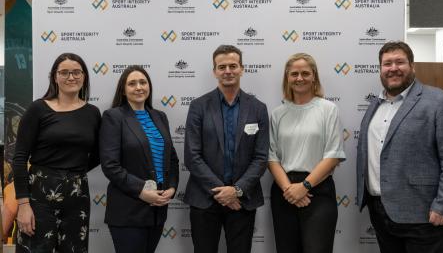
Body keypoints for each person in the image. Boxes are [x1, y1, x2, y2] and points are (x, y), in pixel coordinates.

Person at [356, 41, 443, 253]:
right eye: (387, 63)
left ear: (412, 66)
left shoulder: (438, 101)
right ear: (380, 69)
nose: (393, 68)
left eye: (400, 62)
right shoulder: (375, 105)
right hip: (382, 212)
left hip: (426, 216)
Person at [183, 45, 269, 253]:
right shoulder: (198, 106)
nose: (228, 71)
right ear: (214, 71)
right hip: (205, 199)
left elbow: (261, 157)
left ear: (242, 69)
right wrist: (223, 193)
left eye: (233, 65)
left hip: (243, 200)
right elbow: (192, 156)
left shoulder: (258, 108)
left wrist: (236, 191)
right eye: (222, 67)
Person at [12, 53, 101, 253]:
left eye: (77, 72)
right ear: (55, 76)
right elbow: (19, 159)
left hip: (77, 197)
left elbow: (99, 154)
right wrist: (23, 205)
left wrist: (73, 173)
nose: (71, 77)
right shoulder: (38, 109)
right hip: (39, 198)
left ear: (84, 76)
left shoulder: (93, 113)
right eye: (65, 72)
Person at [268, 53, 346, 253]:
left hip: (318, 191)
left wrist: (304, 186)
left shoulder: (328, 109)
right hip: (284, 192)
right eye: (294, 74)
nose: (299, 78)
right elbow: (271, 157)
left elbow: (333, 154)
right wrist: (289, 190)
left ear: (314, 77)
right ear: (287, 78)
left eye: (305, 73)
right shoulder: (277, 114)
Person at [100, 65, 179, 253]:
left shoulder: (160, 116)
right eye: (132, 83)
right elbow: (110, 165)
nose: (139, 87)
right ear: (123, 90)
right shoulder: (114, 117)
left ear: (149, 86)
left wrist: (172, 187)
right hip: (128, 209)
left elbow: (173, 159)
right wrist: (141, 190)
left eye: (143, 82)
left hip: (157, 209)